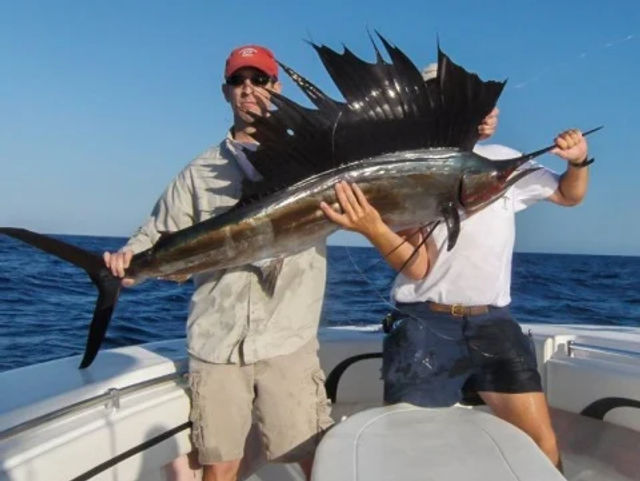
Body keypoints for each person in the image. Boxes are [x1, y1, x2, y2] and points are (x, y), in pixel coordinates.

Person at [320, 75, 589, 469]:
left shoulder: (501, 156)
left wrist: (579, 159)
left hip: (492, 321)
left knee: (541, 444)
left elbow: (570, 194)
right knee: (408, 451)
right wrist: (375, 228)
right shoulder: (407, 169)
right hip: (425, 323)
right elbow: (418, 267)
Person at [103, 45, 333, 481]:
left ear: (276, 87)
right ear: (225, 91)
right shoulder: (201, 171)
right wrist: (126, 264)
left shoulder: (315, 164)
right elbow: (155, 233)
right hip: (217, 341)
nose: (249, 89)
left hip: (288, 337)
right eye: (238, 81)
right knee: (220, 465)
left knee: (313, 458)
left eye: (259, 79)